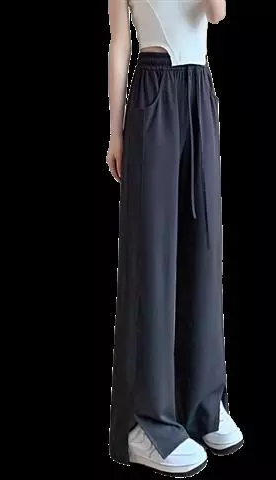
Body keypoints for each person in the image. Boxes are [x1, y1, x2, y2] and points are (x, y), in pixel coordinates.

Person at [107, 1, 243, 476]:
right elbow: (119, 41)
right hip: (154, 85)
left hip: (199, 88)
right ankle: (147, 424)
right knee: (155, 254)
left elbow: (216, 12)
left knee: (203, 245)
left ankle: (204, 405)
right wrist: (115, 132)